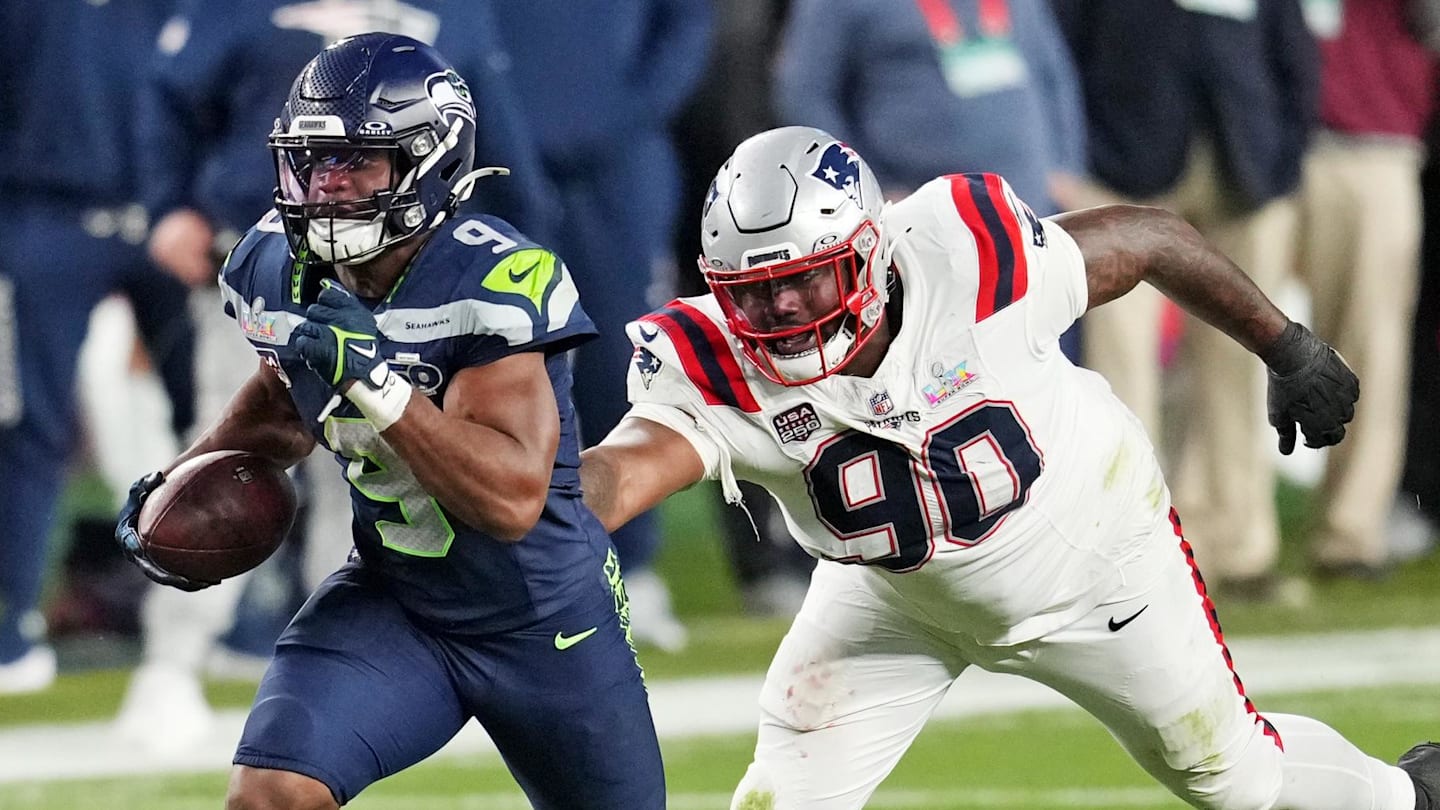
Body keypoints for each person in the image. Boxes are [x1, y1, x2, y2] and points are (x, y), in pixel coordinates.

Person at [577, 125, 1438, 809]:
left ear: (870, 252)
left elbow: (1151, 238)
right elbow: (626, 470)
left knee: (1238, 780)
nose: (782, 310)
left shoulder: (968, 258)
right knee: (778, 798)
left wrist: (1287, 348)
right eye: (753, 292)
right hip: (894, 597)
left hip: (1096, 560)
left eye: (804, 279)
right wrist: (534, 504)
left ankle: (1411, 793)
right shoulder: (712, 362)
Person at [114, 34, 663, 809]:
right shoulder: (274, 262)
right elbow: (281, 407)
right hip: (396, 599)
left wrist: (377, 382)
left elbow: (509, 502)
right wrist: (181, 479)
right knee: (271, 792)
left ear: (430, 162)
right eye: (313, 163)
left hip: (542, 622)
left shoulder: (497, 277)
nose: (329, 187)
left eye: (357, 162)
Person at [1052, 0, 1317, 599]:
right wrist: (1080, 155)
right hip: (1121, 170)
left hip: (1243, 170)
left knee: (1244, 366)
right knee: (1120, 376)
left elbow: (1292, 49)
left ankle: (1240, 550)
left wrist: (1284, 159)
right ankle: (1127, 553)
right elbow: (1063, 42)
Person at [491, 0, 713, 651]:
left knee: (628, 362)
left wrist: (629, 112)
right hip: (496, 159)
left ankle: (630, 564)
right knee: (501, 367)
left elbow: (686, 24)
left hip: (619, 165)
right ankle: (517, 573)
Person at [0, 0, 196, 693]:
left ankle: (238, 619)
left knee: (235, 420)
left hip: (177, 213)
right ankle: (10, 624)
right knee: (26, 422)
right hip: (43, 208)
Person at [1290, 0, 1439, 577]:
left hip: (1371, 140)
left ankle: (1351, 533)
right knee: (1217, 349)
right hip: (1254, 136)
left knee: (1369, 349)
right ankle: (1214, 534)